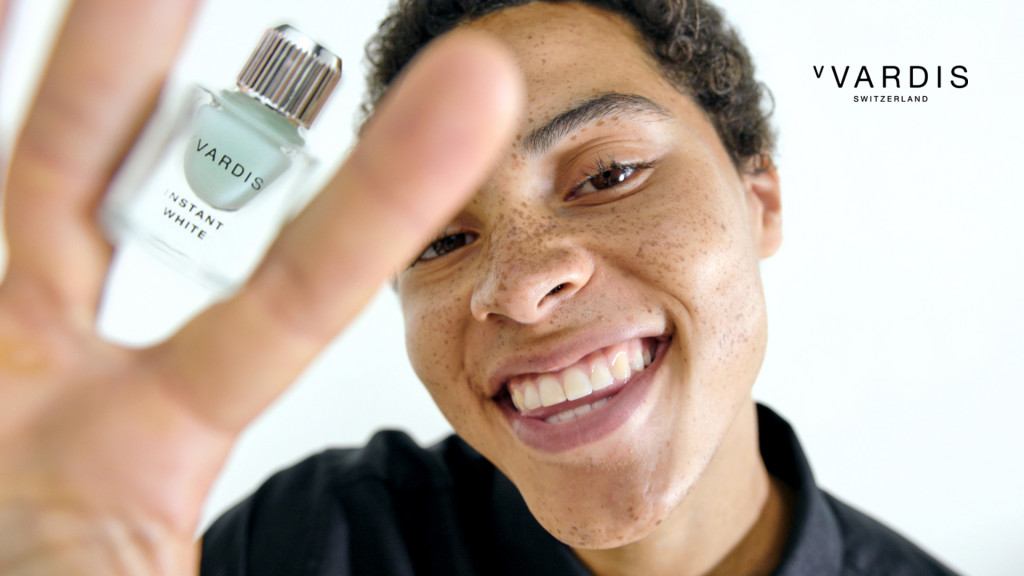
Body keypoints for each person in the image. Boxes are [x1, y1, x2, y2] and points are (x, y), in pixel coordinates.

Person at [0, 0, 959, 575]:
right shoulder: (307, 543)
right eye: (443, 239)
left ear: (759, 200)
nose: (522, 283)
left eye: (607, 174)